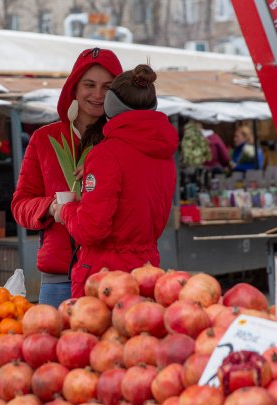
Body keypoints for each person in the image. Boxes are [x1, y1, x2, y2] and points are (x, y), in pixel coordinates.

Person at [11, 47, 123, 307]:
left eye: (107, 87)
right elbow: (20, 205)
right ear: (74, 87)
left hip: (112, 274)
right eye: (89, 85)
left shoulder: (123, 141)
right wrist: (50, 207)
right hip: (59, 276)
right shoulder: (44, 139)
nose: (97, 95)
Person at [54, 64, 178, 298]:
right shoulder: (163, 152)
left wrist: (66, 210)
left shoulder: (106, 154)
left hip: (106, 279)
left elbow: (91, 230)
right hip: (147, 271)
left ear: (111, 104)